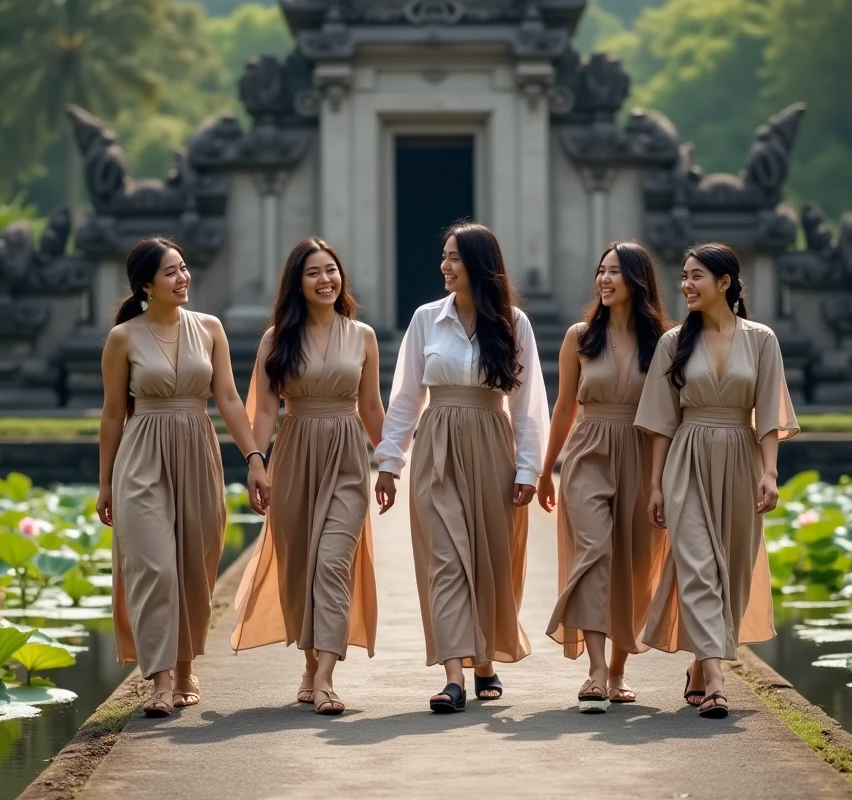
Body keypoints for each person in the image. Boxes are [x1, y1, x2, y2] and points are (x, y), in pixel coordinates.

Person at [375, 221, 549, 713]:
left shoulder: (514, 323)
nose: (444, 266)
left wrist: (527, 470)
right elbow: (406, 396)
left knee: (488, 559)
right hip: (437, 447)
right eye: (444, 256)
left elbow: (529, 403)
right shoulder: (426, 319)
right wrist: (390, 461)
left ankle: (485, 662)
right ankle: (454, 674)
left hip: (493, 448)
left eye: (454, 257)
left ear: (478, 265)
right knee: (445, 559)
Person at [97, 237, 269, 718]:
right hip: (141, 455)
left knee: (196, 565)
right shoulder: (123, 338)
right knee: (154, 566)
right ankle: (159, 681)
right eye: (171, 272)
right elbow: (113, 414)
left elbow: (230, 400)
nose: (183, 278)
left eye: (184, 268)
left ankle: (187, 668)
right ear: (146, 284)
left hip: (198, 450)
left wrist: (255, 458)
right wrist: (105, 482)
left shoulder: (210, 329)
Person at [635, 242, 798, 719]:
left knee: (733, 571)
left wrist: (769, 473)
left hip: (743, 461)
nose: (685, 284)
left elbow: (768, 414)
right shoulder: (673, 343)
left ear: (724, 283)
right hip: (687, 458)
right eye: (683, 276)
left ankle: (698, 665)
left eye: (696, 276)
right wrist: (656, 485)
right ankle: (719, 684)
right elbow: (661, 423)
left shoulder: (762, 339)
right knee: (698, 566)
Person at [230, 237, 384, 716]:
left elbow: (372, 408)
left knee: (334, 563)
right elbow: (264, 411)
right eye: (314, 272)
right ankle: (309, 661)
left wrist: (396, 462)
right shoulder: (277, 339)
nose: (326, 280)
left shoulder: (362, 336)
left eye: (332, 270)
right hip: (294, 457)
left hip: (347, 459)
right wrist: (256, 461)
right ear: (297, 282)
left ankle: (325, 679)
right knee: (300, 568)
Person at [537, 241, 672, 713]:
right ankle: (595, 671)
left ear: (638, 280)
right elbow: (563, 406)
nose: (605, 279)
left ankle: (617, 672)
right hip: (587, 452)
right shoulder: (579, 336)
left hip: (640, 453)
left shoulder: (664, 342)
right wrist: (545, 469)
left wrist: (662, 480)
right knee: (593, 553)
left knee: (633, 566)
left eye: (615, 271)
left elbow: (669, 415)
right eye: (600, 271)